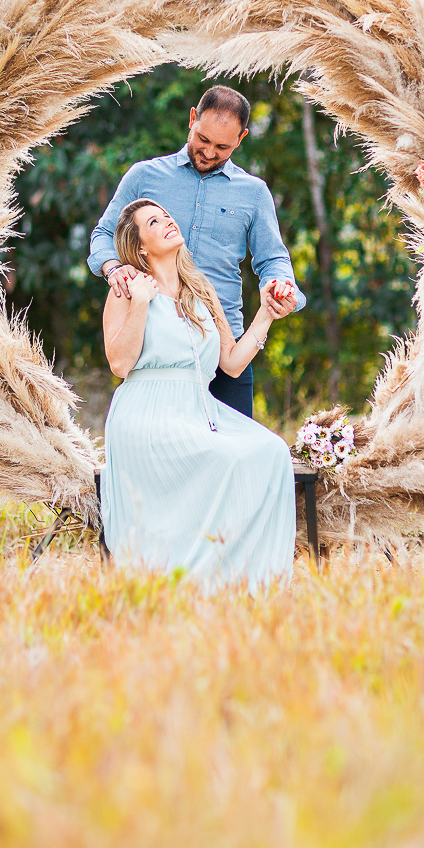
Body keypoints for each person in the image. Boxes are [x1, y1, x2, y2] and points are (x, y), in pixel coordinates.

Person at [100, 198, 296, 591]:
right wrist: (141, 302)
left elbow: (232, 363)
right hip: (146, 415)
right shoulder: (126, 289)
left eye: (167, 216)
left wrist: (266, 316)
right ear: (139, 246)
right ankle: (187, 578)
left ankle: (249, 581)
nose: (168, 222)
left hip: (198, 409)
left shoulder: (200, 289)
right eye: (154, 222)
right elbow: (120, 365)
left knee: (272, 452)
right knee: (226, 457)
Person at [88, 85, 305, 418]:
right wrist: (115, 269)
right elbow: (103, 234)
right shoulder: (145, 176)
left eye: (222, 147)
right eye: (203, 139)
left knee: (233, 461)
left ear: (241, 138)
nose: (208, 152)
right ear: (192, 119)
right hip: (157, 351)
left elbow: (273, 259)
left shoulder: (253, 193)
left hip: (222, 349)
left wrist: (281, 288)